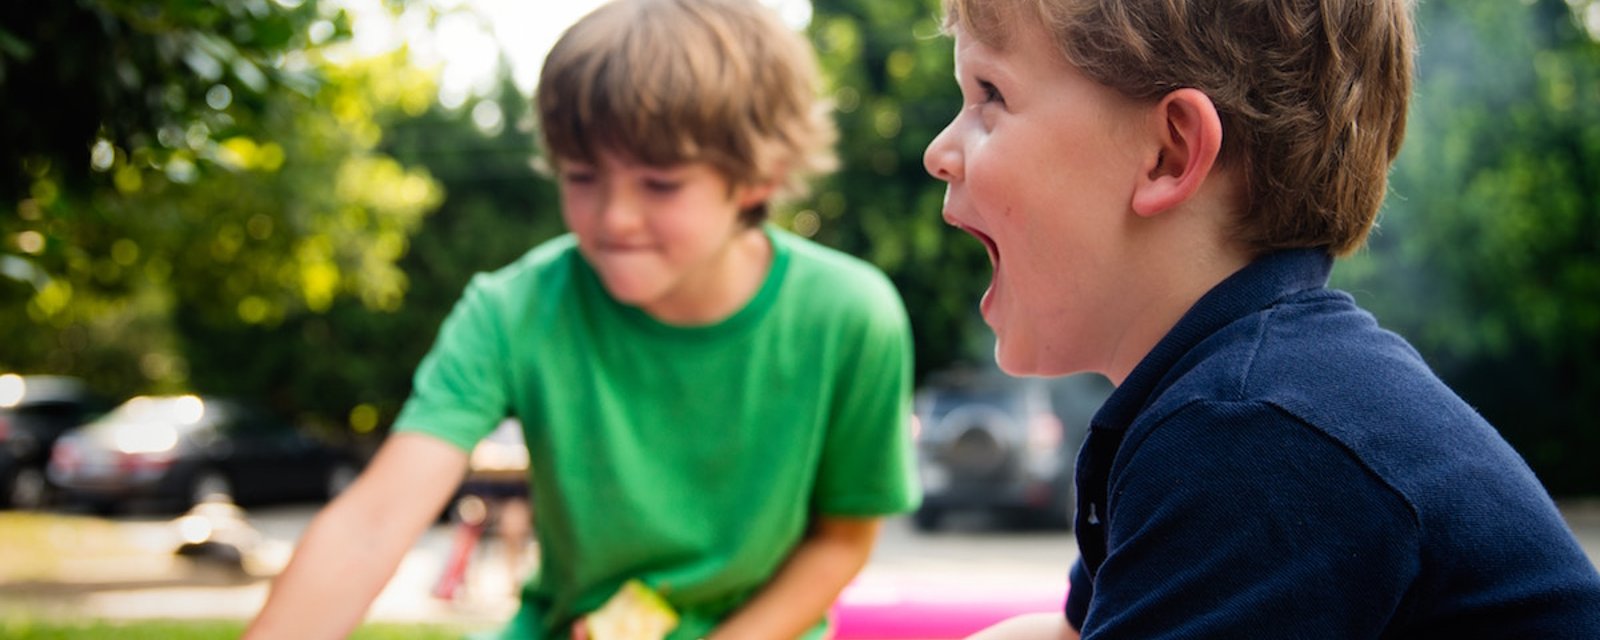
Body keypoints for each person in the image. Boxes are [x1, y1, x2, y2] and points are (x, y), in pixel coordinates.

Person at [920, 0, 1600, 638]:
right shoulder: (1239, 394)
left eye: (991, 96)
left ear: (1170, 154)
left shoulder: (1252, 435)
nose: (937, 151)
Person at [243, 0, 920, 638]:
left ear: (759, 176)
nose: (613, 218)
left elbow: (841, 540)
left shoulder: (851, 315)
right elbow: (372, 523)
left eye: (660, 183)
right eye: (581, 176)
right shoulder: (513, 309)